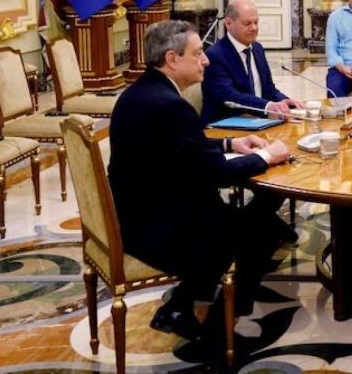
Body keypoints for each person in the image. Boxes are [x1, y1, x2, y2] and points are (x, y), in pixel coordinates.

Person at [108, 20, 293, 355]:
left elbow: (181, 148)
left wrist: (230, 144)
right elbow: (217, 175)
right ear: (172, 59)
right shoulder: (170, 105)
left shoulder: (144, 92)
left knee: (256, 217)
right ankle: (217, 338)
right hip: (158, 229)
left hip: (144, 210)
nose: (205, 60)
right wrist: (268, 155)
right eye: (197, 54)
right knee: (262, 231)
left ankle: (180, 305)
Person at [201, 0, 304, 125]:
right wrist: (267, 105)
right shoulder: (215, 55)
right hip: (224, 124)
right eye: (247, 23)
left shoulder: (257, 48)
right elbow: (229, 96)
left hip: (258, 121)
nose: (254, 28)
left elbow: (268, 89)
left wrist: (285, 102)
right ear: (228, 24)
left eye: (256, 22)